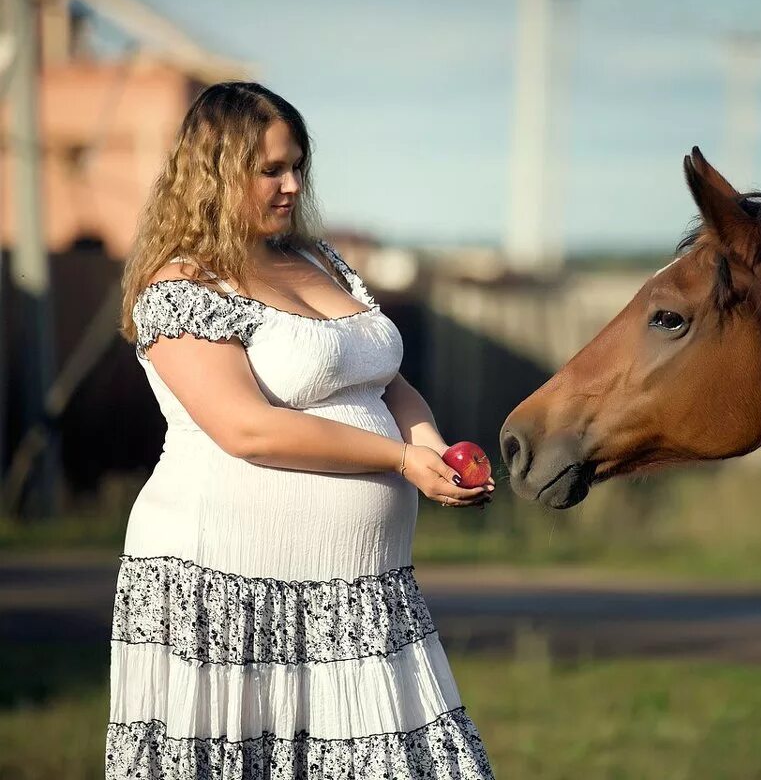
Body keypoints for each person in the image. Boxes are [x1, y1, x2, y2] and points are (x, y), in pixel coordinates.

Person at [110, 81, 496, 778]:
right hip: (230, 584)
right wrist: (396, 460)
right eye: (270, 171)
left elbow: (386, 379)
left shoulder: (321, 262)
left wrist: (428, 446)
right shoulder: (180, 289)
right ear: (215, 173)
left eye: (297, 166)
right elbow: (248, 430)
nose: (292, 185)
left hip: (363, 591)